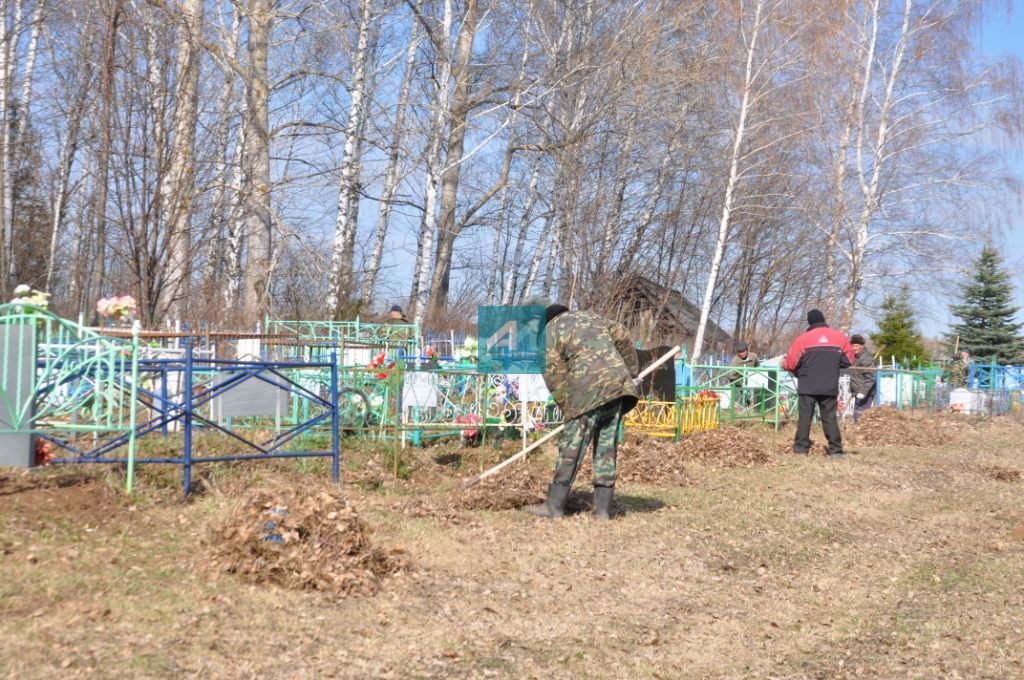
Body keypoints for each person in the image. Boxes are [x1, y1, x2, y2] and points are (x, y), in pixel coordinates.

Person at [523, 302, 640, 520]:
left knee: (572, 448)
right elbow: (623, 335)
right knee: (606, 448)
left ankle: (554, 506)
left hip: (586, 388)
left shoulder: (548, 333)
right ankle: (602, 511)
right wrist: (631, 371)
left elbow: (554, 377)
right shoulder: (592, 318)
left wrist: (567, 408)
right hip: (618, 384)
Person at [782, 309, 854, 458]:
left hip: (807, 386)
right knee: (830, 419)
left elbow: (790, 364)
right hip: (829, 386)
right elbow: (849, 361)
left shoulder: (802, 339)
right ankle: (836, 451)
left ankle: (801, 450)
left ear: (809, 322)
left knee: (805, 419)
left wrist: (784, 363)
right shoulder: (840, 337)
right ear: (823, 320)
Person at [847, 334, 876, 422]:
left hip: (866, 392)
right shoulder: (854, 357)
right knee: (857, 414)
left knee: (860, 415)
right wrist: (852, 390)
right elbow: (855, 376)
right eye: (852, 346)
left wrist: (863, 392)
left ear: (862, 345)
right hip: (857, 391)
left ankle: (862, 433)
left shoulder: (867, 359)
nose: (854, 348)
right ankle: (858, 432)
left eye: (856, 345)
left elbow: (870, 378)